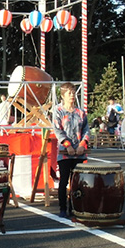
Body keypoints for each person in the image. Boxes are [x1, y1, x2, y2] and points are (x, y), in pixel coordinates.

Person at [52, 82, 90, 218]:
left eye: (73, 93)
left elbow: (86, 129)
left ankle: (75, 207)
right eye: (69, 93)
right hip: (65, 153)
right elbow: (57, 129)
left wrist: (82, 144)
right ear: (63, 96)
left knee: (78, 181)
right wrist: (67, 145)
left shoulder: (81, 112)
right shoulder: (58, 111)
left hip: (79, 152)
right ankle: (63, 207)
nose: (72, 96)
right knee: (64, 181)